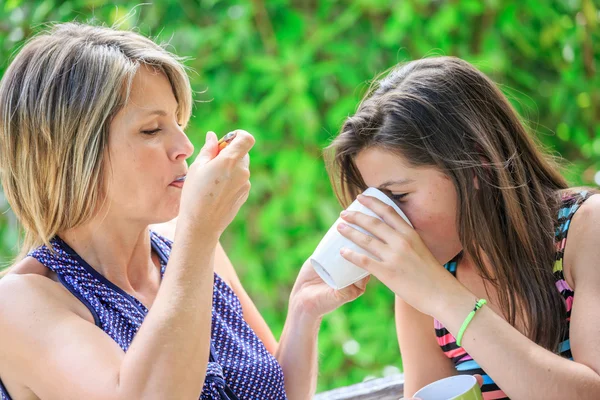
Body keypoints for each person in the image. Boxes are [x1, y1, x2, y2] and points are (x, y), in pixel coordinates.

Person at [0, 23, 368, 400]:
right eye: (151, 130)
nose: (185, 146)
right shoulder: (20, 304)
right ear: (67, 154)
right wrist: (199, 232)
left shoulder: (187, 247)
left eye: (178, 122)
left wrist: (303, 310)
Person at [326, 56, 600, 399]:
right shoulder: (421, 291)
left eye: (398, 196)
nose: (390, 219)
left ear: (476, 166)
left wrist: (445, 297)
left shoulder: (585, 229)